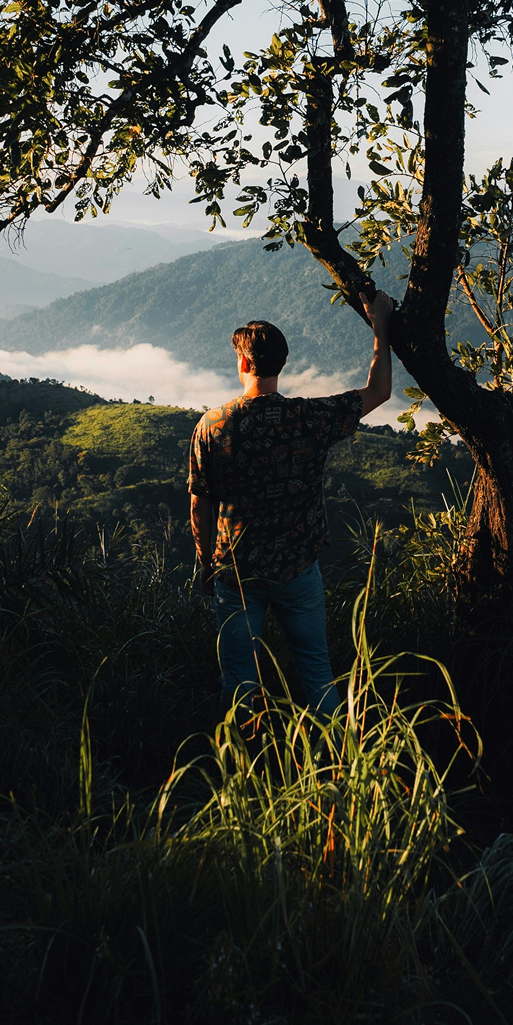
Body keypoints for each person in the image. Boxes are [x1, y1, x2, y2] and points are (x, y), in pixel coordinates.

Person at [187, 291, 395, 718]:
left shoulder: (212, 426)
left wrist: (205, 561)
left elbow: (200, 505)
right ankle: (341, 764)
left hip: (236, 573)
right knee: (317, 672)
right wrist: (381, 326)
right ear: (281, 365)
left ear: (243, 364)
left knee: (239, 678)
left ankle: (245, 767)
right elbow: (379, 391)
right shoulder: (309, 418)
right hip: (298, 568)